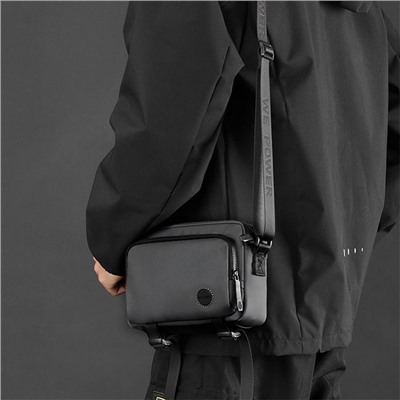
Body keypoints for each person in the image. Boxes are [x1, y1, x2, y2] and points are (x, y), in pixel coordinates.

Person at [86, 1, 399, 399]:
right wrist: (342, 232)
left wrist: (115, 239)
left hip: (226, 327)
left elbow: (168, 117)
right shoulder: (365, 11)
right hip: (320, 325)